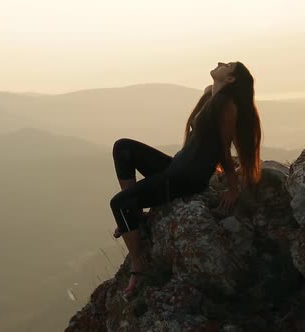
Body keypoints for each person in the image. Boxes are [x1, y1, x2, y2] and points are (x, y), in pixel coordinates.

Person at [110, 61, 262, 299]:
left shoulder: (227, 106)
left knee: (118, 204)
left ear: (231, 79)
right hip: (175, 166)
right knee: (123, 148)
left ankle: (138, 265)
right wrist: (211, 89)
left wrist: (234, 188)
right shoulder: (214, 96)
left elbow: (223, 147)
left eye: (228, 65)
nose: (221, 63)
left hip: (185, 178)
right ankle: (136, 215)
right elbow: (208, 97)